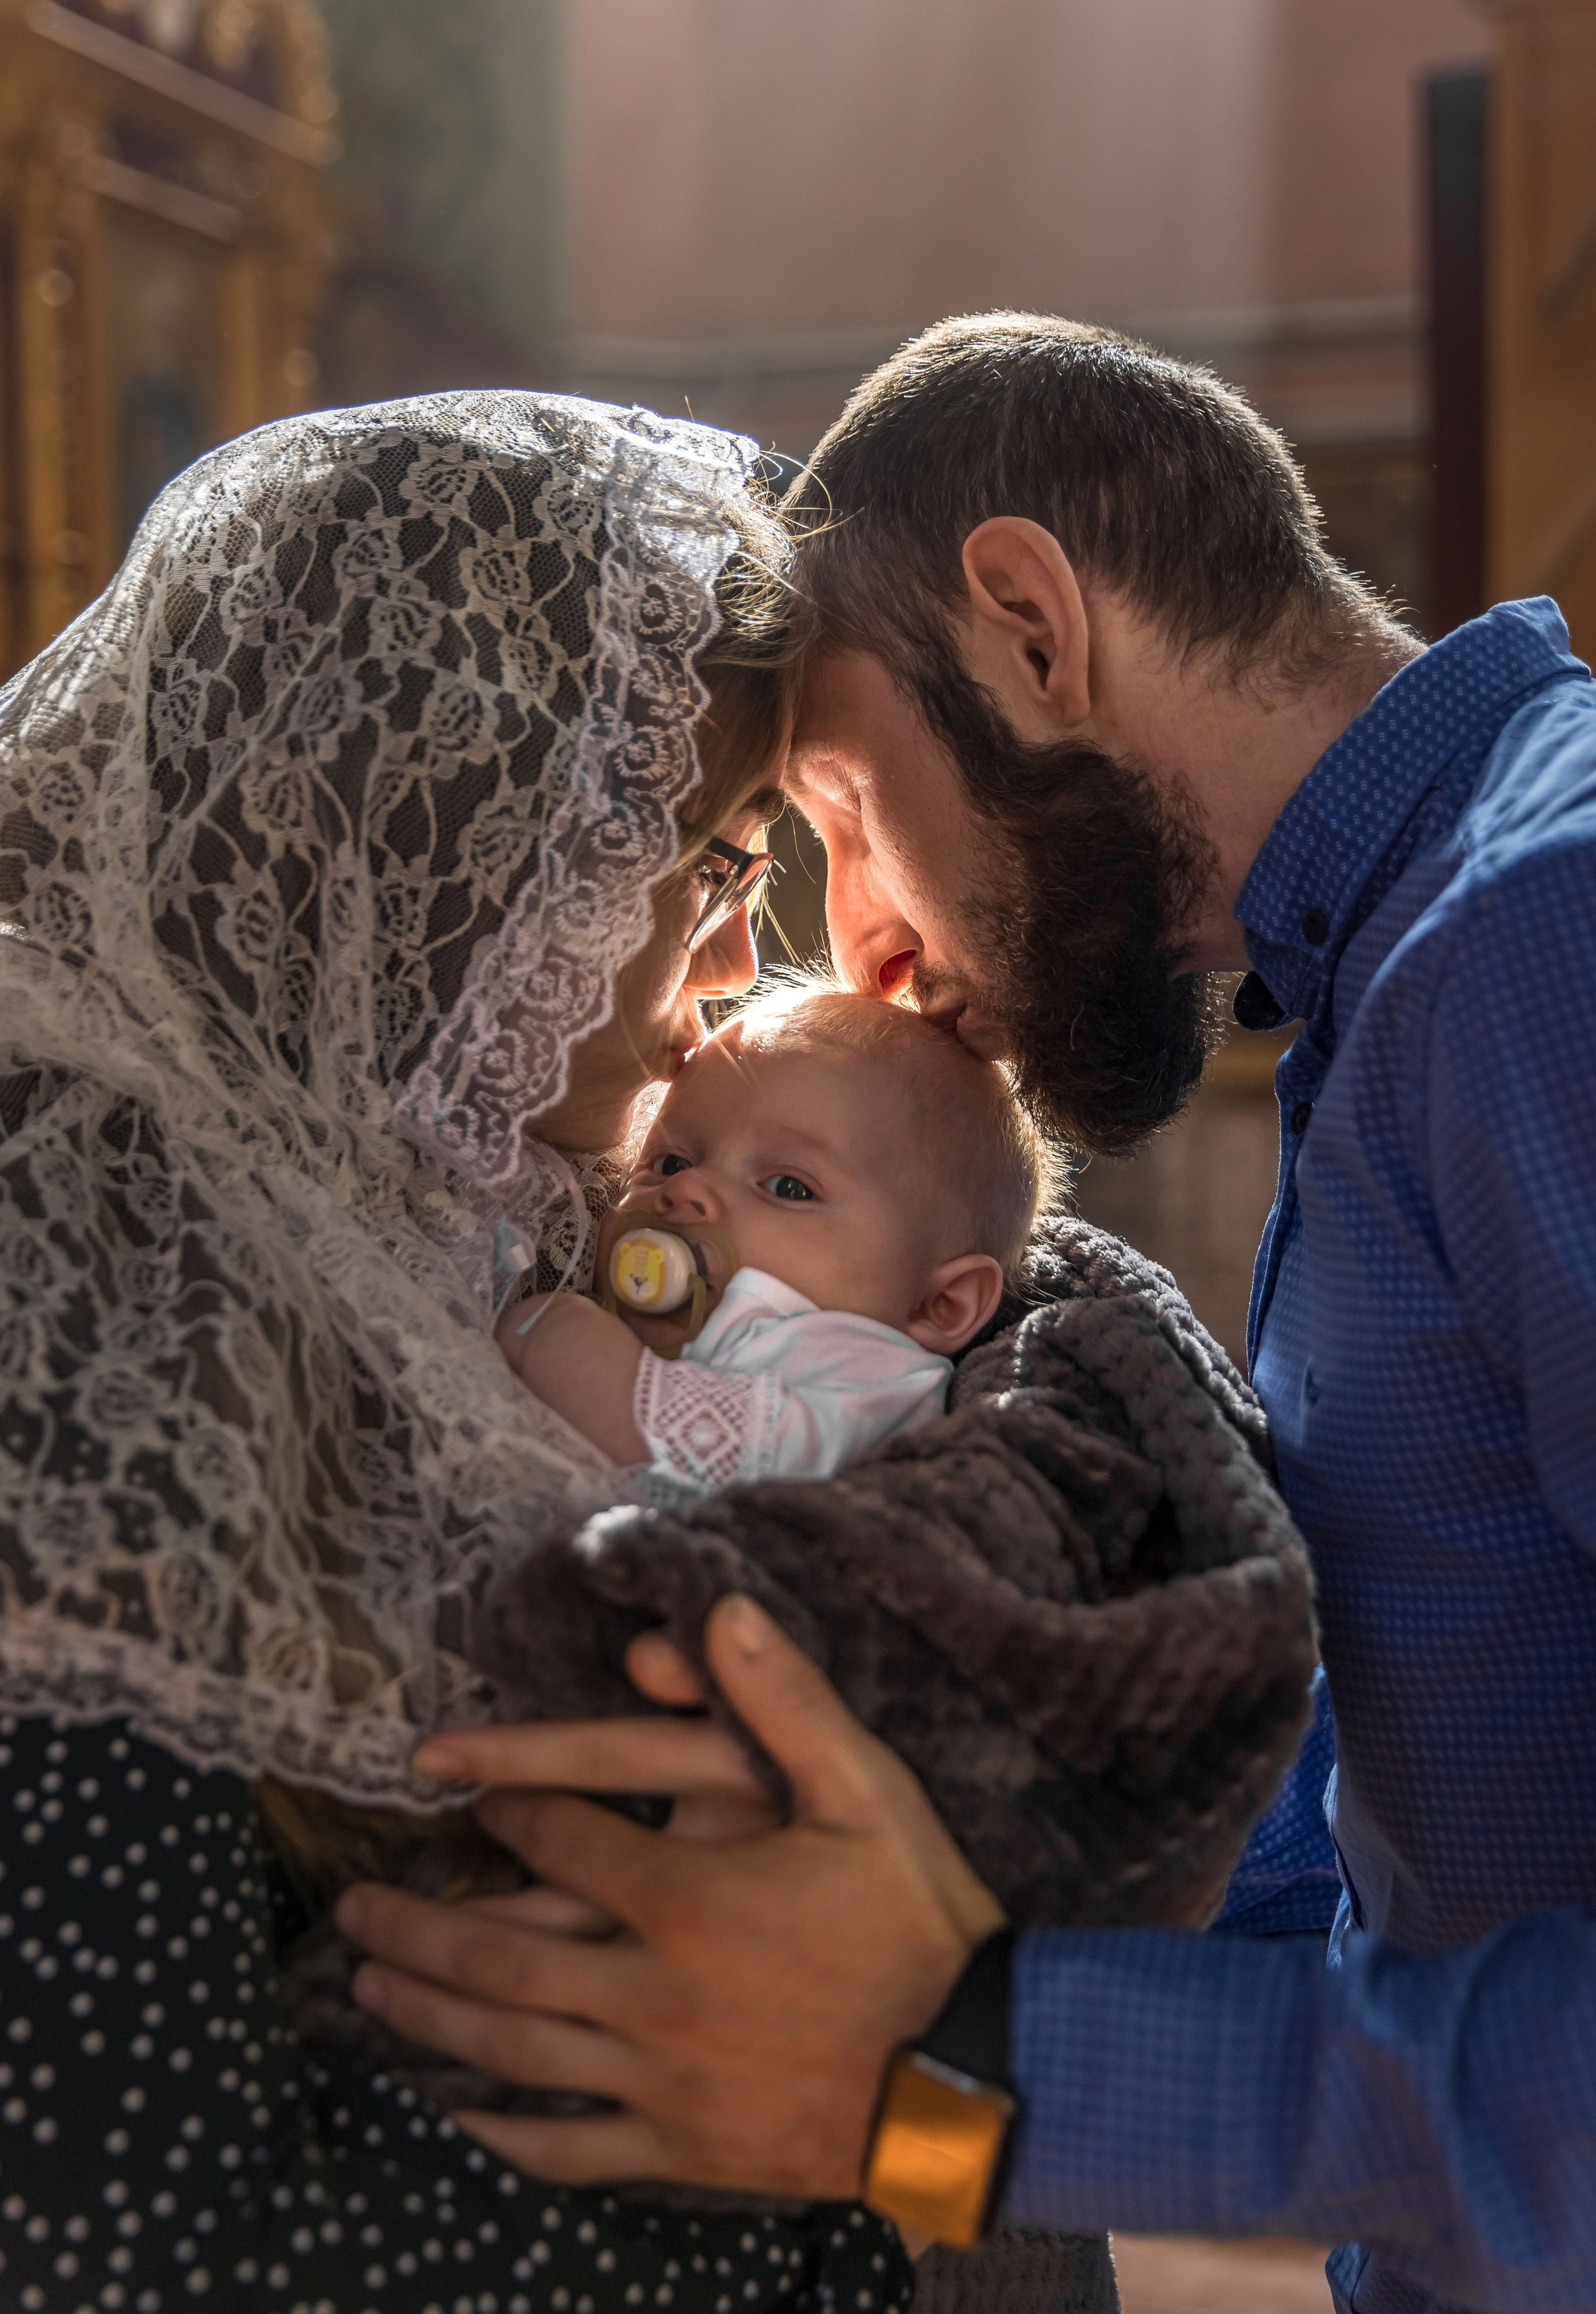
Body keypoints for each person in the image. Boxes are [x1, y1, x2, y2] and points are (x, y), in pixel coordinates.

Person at [336, 315, 1596, 2314]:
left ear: (1026, 624)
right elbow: (1398, 1878)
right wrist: (907, 2076)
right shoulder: (1406, 968)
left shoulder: (1543, 927)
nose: (864, 944)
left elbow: (1010, 2073)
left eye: (836, 806)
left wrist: (985, 2063)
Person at [0, 387, 929, 2312]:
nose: (731, 965)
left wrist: (933, 2125)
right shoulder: (92, 1326)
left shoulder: (425, 1219)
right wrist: (866, 2176)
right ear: (458, 856)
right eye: (707, 855)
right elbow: (115, 2226)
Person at [496, 985, 1051, 1495]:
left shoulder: (872, 1380)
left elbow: (733, 1462)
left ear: (940, 1305)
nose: (688, 1189)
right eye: (669, 1161)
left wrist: (558, 1335)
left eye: (788, 1187)